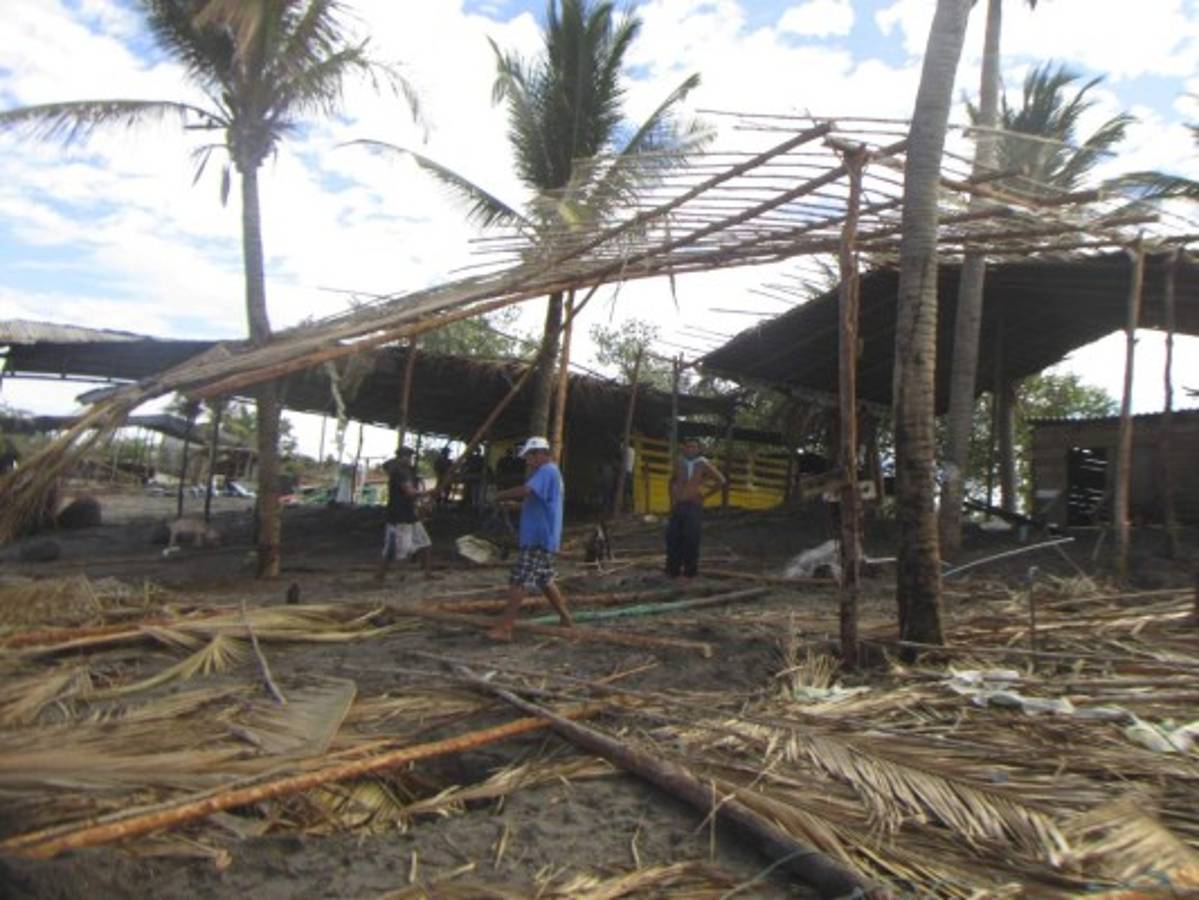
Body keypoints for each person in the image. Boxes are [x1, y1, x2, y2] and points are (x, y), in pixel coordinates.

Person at [489, 436, 572, 639]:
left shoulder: (547, 471)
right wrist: (516, 506)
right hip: (544, 536)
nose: (528, 460)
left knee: (519, 579)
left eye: (531, 456)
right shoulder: (550, 473)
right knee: (545, 579)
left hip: (538, 537)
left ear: (543, 454)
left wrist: (501, 495)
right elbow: (540, 502)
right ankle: (566, 618)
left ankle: (506, 628)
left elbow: (526, 490)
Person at [666, 438, 726, 581]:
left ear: (698, 449)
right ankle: (673, 571)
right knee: (673, 537)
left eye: (694, 447)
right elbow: (672, 481)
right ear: (684, 448)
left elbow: (721, 481)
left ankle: (689, 573)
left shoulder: (703, 463)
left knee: (691, 539)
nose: (691, 449)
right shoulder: (679, 462)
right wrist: (672, 500)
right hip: (678, 505)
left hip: (693, 506)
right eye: (688, 446)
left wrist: (704, 496)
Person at [375, 447, 433, 582]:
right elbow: (410, 492)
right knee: (402, 549)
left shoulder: (403, 472)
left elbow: (411, 493)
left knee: (425, 543)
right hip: (400, 516)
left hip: (407, 514)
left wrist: (421, 497)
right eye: (408, 456)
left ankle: (427, 573)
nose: (410, 459)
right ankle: (398, 576)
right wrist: (428, 493)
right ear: (401, 457)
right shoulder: (400, 473)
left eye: (410, 456)